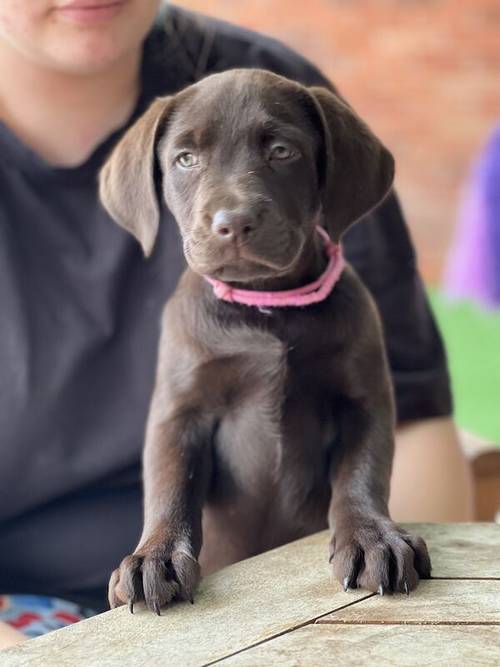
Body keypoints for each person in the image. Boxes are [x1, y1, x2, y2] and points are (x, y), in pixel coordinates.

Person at [0, 0, 472, 649]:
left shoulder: (283, 85)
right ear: (154, 180)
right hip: (47, 618)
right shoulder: (187, 305)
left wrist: (391, 615)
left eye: (278, 151)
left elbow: (404, 412)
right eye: (189, 160)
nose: (233, 210)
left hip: (310, 599)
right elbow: (180, 420)